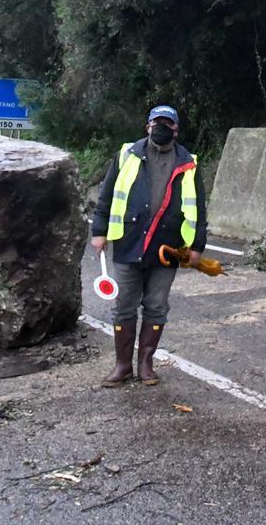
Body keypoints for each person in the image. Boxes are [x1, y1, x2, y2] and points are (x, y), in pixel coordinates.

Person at [89, 105, 206, 387]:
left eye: (169, 124)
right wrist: (99, 231)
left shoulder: (188, 162)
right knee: (124, 306)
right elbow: (106, 194)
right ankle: (122, 366)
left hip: (169, 247)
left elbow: (199, 207)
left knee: (156, 306)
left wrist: (196, 245)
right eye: (157, 123)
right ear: (148, 126)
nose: (162, 128)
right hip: (129, 241)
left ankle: (145, 365)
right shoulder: (127, 154)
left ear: (176, 130)